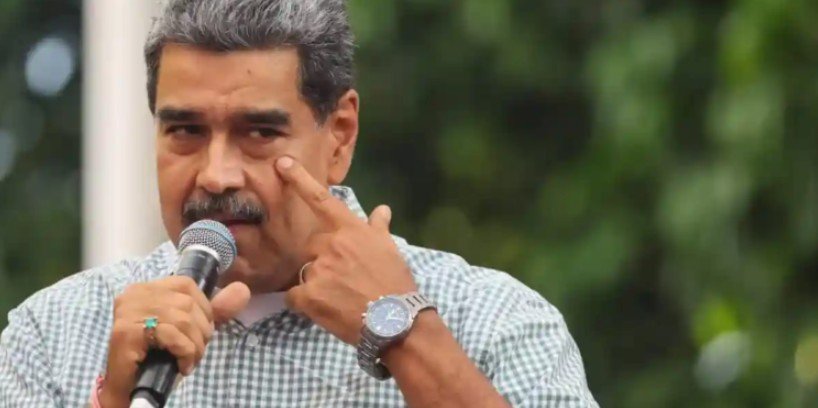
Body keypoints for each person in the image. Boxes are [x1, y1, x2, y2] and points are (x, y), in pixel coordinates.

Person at [0, 0, 598, 407]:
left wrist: (407, 337)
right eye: (185, 131)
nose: (216, 175)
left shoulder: (492, 322)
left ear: (339, 135)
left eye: (260, 132)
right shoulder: (55, 334)